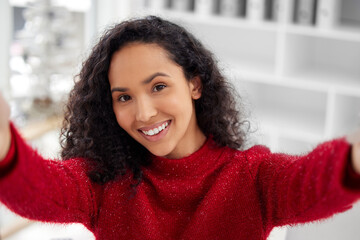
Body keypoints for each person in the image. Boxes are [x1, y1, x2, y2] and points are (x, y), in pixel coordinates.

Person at [0, 15, 360, 240]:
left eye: (158, 87)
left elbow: (313, 180)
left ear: (195, 85)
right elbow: (40, 189)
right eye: (123, 97)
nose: (143, 113)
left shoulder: (254, 177)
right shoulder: (106, 181)